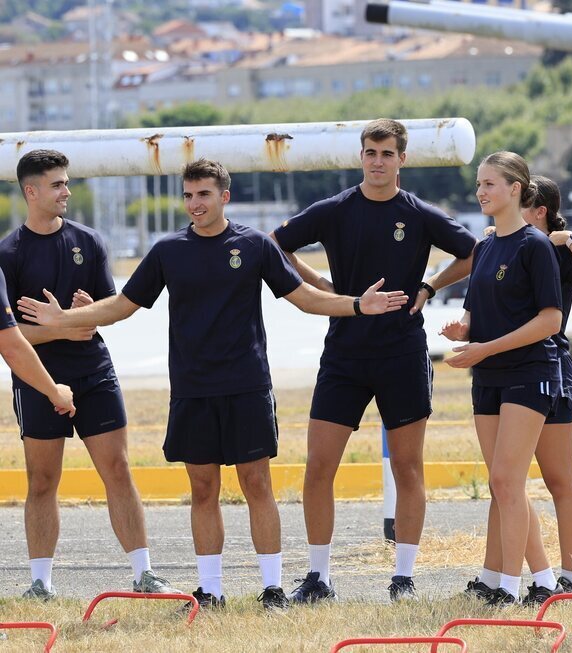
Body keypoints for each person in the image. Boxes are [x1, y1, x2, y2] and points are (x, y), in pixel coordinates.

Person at [17, 158, 408, 611]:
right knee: (202, 490)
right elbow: (122, 305)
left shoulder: (255, 244)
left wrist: (359, 304)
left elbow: (306, 299)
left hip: (246, 385)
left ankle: (272, 588)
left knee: (256, 484)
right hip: (192, 389)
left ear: (224, 196)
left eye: (203, 194)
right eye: (187, 195)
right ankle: (211, 590)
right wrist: (65, 318)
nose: (193, 204)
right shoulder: (168, 251)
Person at [270, 118, 477, 604]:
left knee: (408, 467)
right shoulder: (335, 210)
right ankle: (319, 577)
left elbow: (474, 252)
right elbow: (275, 243)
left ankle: (403, 578)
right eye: (370, 153)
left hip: (402, 353)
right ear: (360, 156)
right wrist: (322, 287)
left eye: (387, 153)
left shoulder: (422, 213)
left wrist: (430, 287)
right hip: (344, 351)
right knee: (319, 466)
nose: (378, 161)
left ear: (402, 159)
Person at [1, 149, 176, 600]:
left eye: (66, 182)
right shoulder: (8, 253)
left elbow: (106, 313)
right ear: (31, 191)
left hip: (95, 372)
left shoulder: (90, 241)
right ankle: (40, 583)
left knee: (117, 469)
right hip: (38, 380)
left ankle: (144, 574)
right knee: (42, 481)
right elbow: (9, 337)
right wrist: (60, 327)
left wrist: (81, 321)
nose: (67, 191)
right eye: (57, 184)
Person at [470, 176, 572, 604]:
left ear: (540, 212)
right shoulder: (509, 246)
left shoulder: (553, 249)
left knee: (557, 478)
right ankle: (499, 573)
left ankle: (568, 574)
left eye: (527, 210)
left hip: (550, 366)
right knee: (505, 481)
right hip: (505, 369)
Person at [441, 152, 563, 606]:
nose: (481, 192)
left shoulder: (536, 246)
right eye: (478, 184)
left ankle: (507, 590)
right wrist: (463, 330)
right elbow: (474, 311)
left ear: (515, 189)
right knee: (501, 484)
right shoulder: (485, 245)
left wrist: (485, 348)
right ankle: (546, 580)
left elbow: (550, 320)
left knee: (508, 482)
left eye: (489, 183)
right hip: (487, 375)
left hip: (529, 373)